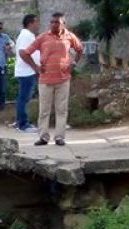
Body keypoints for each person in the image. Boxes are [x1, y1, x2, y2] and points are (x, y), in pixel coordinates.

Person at [20, 12, 83, 146]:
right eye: (52, 22)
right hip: (45, 80)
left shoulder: (70, 37)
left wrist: (73, 63)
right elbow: (25, 53)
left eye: (57, 22)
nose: (54, 24)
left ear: (63, 24)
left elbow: (79, 49)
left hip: (63, 79)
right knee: (44, 110)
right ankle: (43, 137)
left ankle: (59, 137)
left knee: (61, 109)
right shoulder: (43, 37)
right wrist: (35, 68)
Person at [14, 14, 42, 132]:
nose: (38, 24)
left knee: (24, 98)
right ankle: (23, 124)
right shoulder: (26, 35)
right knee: (24, 98)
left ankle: (22, 122)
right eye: (36, 22)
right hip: (27, 72)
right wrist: (35, 67)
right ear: (30, 23)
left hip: (28, 71)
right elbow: (22, 53)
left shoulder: (28, 35)